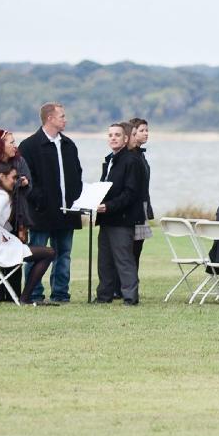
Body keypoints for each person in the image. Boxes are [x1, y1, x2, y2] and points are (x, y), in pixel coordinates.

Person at [19, 103, 82, 305]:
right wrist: (40, 200)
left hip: (67, 211)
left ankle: (61, 294)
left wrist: (77, 199)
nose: (65, 119)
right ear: (49, 118)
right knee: (37, 253)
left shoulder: (69, 145)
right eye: (62, 116)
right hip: (41, 212)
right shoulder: (29, 146)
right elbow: (26, 180)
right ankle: (34, 294)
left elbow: (77, 174)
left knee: (64, 254)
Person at [0, 164, 55, 303]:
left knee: (42, 252)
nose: (16, 181)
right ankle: (25, 298)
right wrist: (2, 238)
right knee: (49, 252)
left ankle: (23, 297)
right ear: (2, 177)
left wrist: (7, 235)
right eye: (13, 178)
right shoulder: (1, 197)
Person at [92, 121, 142, 305]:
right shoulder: (109, 160)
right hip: (106, 218)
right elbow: (103, 187)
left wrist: (109, 206)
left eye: (117, 135)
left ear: (126, 138)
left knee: (123, 259)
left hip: (122, 219)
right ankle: (104, 295)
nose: (113, 138)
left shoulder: (131, 161)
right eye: (110, 135)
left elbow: (130, 193)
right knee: (104, 260)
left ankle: (130, 297)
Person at [125, 118, 154, 275]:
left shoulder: (141, 156)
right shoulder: (130, 156)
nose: (146, 134)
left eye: (146, 130)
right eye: (142, 131)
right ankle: (125, 285)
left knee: (137, 249)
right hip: (133, 209)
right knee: (129, 249)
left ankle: (132, 282)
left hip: (142, 207)